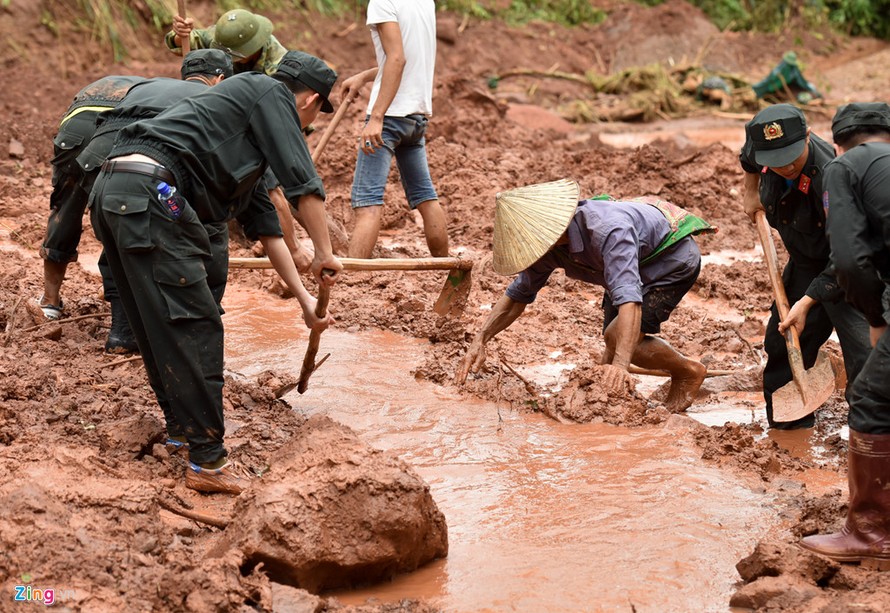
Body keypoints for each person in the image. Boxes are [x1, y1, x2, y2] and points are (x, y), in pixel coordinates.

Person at [89, 50, 343, 494]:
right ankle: (208, 463)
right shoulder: (267, 91)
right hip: (154, 190)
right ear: (310, 101)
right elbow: (303, 183)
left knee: (157, 322)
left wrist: (306, 301)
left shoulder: (239, 131)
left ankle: (182, 434)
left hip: (116, 188)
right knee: (197, 325)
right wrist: (325, 252)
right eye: (312, 116)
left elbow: (268, 230)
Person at [455, 179, 711, 413]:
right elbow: (519, 294)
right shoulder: (549, 247)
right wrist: (481, 338)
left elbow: (629, 300)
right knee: (613, 344)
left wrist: (620, 367)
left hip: (671, 261)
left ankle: (687, 371)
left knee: (616, 339)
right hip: (626, 266)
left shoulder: (609, 231)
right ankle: (610, 395)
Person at [74, 49, 233, 353]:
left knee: (122, 236)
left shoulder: (149, 86)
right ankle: (198, 330)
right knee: (211, 231)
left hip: (98, 167)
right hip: (148, 174)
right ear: (221, 79)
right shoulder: (214, 100)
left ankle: (122, 333)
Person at [739, 103, 871, 429]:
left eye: (791, 157)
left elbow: (848, 254)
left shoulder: (832, 177)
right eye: (774, 160)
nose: (784, 166)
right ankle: (789, 430)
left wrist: (808, 300)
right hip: (806, 262)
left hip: (851, 268)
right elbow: (748, 158)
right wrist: (751, 191)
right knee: (783, 343)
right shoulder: (761, 147)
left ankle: (870, 436)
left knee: (866, 357)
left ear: (808, 136)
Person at [800, 102, 890, 564]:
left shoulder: (843, 168)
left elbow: (851, 261)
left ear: (836, 144)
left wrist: (875, 319)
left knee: (873, 398)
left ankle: (870, 533)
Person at [339, 0, 449, 259]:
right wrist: (365, 76)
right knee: (426, 197)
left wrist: (377, 117)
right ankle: (450, 272)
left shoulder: (382, 2)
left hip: (390, 116)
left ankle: (353, 278)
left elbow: (397, 59)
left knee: (367, 202)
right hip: (416, 117)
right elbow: (407, 59)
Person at [38, 74, 146, 322]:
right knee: (119, 211)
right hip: (114, 130)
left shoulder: (119, 84)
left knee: (65, 209)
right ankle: (120, 302)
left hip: (74, 127)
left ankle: (50, 302)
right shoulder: (166, 97)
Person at [165, 8, 287, 75]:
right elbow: (186, 41)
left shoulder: (280, 65)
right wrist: (181, 32)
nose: (229, 57)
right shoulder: (221, 37)